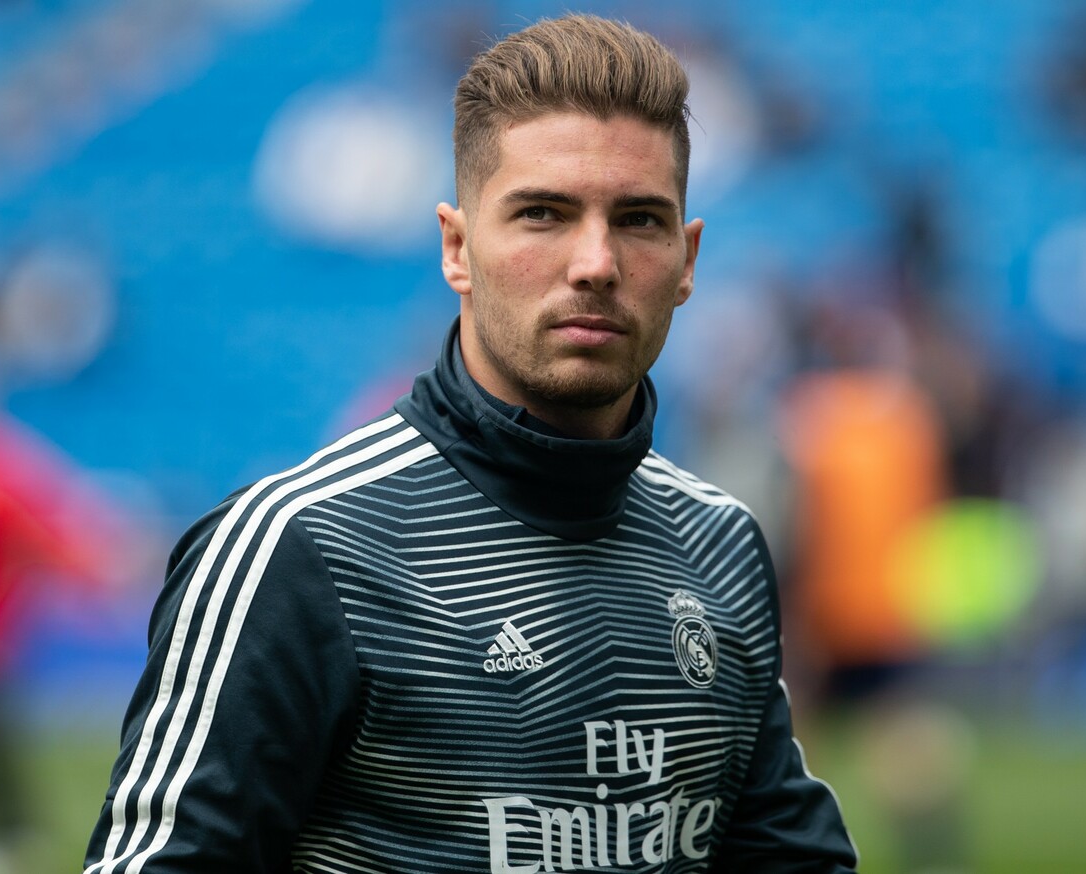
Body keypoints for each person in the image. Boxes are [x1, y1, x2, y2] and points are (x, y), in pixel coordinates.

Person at [84, 15, 857, 873]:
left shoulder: (721, 544)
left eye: (639, 220)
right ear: (457, 248)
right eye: (543, 214)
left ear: (687, 260)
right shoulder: (297, 551)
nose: (596, 262)